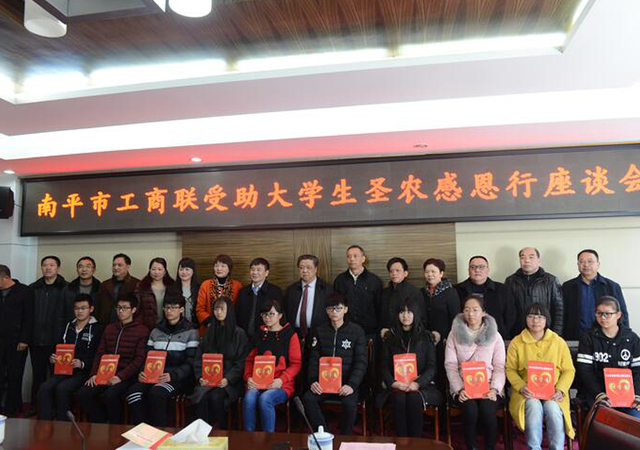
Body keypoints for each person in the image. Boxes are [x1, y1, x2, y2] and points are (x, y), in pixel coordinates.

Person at [506, 302, 575, 450]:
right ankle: (534, 447)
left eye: (540, 317)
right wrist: (521, 386)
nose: (535, 321)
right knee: (533, 406)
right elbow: (510, 369)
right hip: (526, 393)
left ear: (546, 319)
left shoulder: (558, 342)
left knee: (553, 408)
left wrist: (560, 390)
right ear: (525, 319)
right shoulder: (517, 342)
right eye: (531, 316)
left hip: (553, 392)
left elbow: (569, 370)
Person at [126, 295, 199, 427]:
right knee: (133, 394)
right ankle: (143, 430)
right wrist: (142, 372)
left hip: (177, 378)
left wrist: (173, 375)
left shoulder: (191, 332)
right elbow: (146, 356)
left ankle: (159, 431)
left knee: (156, 393)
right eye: (167, 308)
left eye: (173, 308)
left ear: (182, 309)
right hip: (152, 375)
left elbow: (191, 362)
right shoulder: (155, 331)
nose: (169, 311)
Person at [76, 293, 149, 423]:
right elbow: (100, 353)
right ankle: (102, 422)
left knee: (111, 395)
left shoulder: (142, 330)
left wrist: (120, 376)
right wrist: (94, 374)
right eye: (118, 307)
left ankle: (116, 427)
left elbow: (139, 359)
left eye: (125, 308)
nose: (120, 311)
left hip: (126, 376)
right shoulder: (109, 328)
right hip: (104, 373)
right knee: (83, 394)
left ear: (133, 310)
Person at [444, 295, 505, 450]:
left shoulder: (495, 335)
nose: (470, 314)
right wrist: (459, 389)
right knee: (470, 410)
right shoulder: (454, 334)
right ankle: (471, 447)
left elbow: (499, 366)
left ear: (484, 312)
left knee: (487, 410)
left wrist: (495, 389)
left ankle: (490, 447)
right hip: (464, 386)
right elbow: (451, 366)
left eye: (475, 310)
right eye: (467, 310)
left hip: (489, 386)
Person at [303, 293, 367, 435]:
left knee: (349, 404)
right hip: (323, 382)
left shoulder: (356, 331)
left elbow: (361, 362)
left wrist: (351, 385)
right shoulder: (319, 331)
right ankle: (323, 434)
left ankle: (344, 436)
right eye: (331, 308)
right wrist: (313, 381)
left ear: (345, 309)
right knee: (308, 398)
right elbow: (313, 359)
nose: (334, 312)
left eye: (338, 308)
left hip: (346, 383)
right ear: (326, 310)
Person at [378, 298, 443, 437]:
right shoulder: (390, 337)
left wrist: (418, 383)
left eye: (409, 312)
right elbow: (383, 365)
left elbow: (432, 367)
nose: (405, 316)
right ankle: (402, 441)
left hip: (421, 385)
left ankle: (415, 442)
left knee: (414, 399)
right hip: (396, 384)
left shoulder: (426, 337)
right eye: (402, 312)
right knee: (399, 398)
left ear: (416, 313)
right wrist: (393, 383)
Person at [38, 293, 103, 421]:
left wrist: (83, 363)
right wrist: (53, 358)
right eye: (76, 308)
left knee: (62, 388)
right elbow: (58, 346)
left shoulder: (98, 329)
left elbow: (99, 354)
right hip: (64, 369)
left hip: (83, 371)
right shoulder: (68, 326)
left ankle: (63, 423)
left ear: (91, 309)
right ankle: (45, 423)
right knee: (45, 387)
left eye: (83, 308)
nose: (79, 311)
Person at [243, 299, 301, 432]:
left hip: (281, 383)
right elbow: (249, 360)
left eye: (271, 314)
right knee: (249, 398)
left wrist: (281, 380)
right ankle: (248, 437)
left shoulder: (290, 335)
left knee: (265, 399)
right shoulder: (258, 334)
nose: (267, 317)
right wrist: (248, 377)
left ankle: (269, 438)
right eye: (264, 314)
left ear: (280, 315)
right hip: (258, 381)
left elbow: (296, 364)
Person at [576, 296, 640, 418]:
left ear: (618, 315)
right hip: (597, 393)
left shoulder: (632, 339)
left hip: (627, 394)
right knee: (606, 418)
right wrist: (600, 394)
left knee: (635, 417)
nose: (603, 318)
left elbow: (638, 370)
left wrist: (637, 395)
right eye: (599, 313)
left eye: (608, 314)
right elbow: (585, 371)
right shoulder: (588, 337)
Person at [191, 297, 248, 428]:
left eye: (222, 309)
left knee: (216, 397)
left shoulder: (239, 334)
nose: (219, 312)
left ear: (229, 311)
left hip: (229, 381)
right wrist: (200, 377)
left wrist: (228, 379)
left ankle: (221, 432)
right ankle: (201, 433)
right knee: (201, 397)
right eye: (216, 309)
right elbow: (199, 357)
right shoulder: (209, 331)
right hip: (208, 378)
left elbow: (241, 362)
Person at [29, 255, 68, 415]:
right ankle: (36, 407)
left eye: (52, 265)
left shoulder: (66, 288)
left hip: (57, 340)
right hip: (36, 340)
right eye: (45, 265)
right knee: (37, 376)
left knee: (56, 377)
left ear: (58, 268)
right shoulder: (33, 288)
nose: (48, 268)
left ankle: (54, 409)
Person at [562, 249, 630, 340]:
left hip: (605, 338)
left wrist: (624, 337)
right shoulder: (567, 287)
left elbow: (622, 314)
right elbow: (562, 314)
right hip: (576, 338)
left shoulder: (612, 286)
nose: (586, 265)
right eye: (582, 261)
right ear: (578, 264)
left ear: (598, 264)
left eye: (590, 261)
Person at [505, 247, 564, 336]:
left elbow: (559, 309)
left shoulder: (551, 280)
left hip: (545, 333)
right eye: (523, 257)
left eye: (531, 257)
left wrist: (556, 334)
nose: (527, 260)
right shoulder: (510, 281)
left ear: (539, 260)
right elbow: (507, 310)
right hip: (518, 334)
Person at [0, 265, 34, 417]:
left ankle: (12, 408)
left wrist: (24, 339)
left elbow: (29, 317)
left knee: (15, 374)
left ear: (5, 277)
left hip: (17, 341)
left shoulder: (24, 291)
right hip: (1, 340)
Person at [455, 256, 515, 340]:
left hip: (497, 338)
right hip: (466, 339)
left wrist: (503, 332)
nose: (477, 270)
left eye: (481, 267)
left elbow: (510, 315)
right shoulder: (457, 290)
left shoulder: (503, 290)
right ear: (468, 270)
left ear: (487, 270)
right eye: (473, 267)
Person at [333, 245, 383, 340]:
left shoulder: (374, 280)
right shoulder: (339, 280)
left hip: (369, 332)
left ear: (363, 259)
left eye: (355, 256)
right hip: (345, 330)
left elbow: (379, 307)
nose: (352, 259)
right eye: (349, 256)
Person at [283, 254, 332, 341]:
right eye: (301, 267)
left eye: (308, 267)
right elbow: (285, 313)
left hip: (319, 335)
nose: (304, 270)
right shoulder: (291, 290)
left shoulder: (327, 290)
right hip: (294, 334)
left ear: (316, 269)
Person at [236, 257, 283, 339]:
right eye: (252, 269)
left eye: (259, 270)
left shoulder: (275, 291)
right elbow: (237, 314)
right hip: (243, 337)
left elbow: (279, 317)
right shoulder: (243, 291)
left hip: (266, 336)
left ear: (266, 273)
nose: (255, 272)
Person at [196, 254, 243, 335]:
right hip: (209, 328)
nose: (219, 268)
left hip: (231, 328)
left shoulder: (237, 285)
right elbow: (200, 309)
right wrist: (211, 323)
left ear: (229, 269)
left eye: (223, 266)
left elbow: (239, 310)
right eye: (216, 266)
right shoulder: (205, 284)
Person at [379, 257, 423, 337]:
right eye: (391, 271)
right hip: (387, 335)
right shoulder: (385, 293)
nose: (394, 273)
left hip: (408, 336)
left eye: (397, 270)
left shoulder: (414, 292)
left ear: (405, 273)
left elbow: (421, 317)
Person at [422, 258, 459, 346]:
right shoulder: (421, 292)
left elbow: (455, 318)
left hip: (444, 340)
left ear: (441, 273)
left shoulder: (450, 292)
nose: (430, 274)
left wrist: (447, 336)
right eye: (427, 272)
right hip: (424, 339)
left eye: (433, 271)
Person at [95, 253, 140, 326]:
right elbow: (98, 306)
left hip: (129, 325)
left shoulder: (136, 284)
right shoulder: (104, 285)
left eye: (120, 265)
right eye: (114, 265)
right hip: (105, 325)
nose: (116, 268)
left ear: (128, 266)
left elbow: (140, 308)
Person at [135, 257, 175, 330]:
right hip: (146, 327)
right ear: (149, 270)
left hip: (168, 327)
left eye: (160, 269)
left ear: (165, 272)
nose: (156, 272)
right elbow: (137, 308)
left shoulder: (172, 286)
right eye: (153, 269)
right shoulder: (142, 286)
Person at [61, 256, 101, 322]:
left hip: (95, 326)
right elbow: (61, 312)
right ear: (77, 270)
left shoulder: (101, 288)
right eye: (80, 266)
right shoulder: (68, 289)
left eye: (88, 266)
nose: (84, 269)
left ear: (94, 270)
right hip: (72, 325)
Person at [172, 257, 200, 327]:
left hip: (195, 327)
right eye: (181, 269)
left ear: (193, 271)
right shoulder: (171, 288)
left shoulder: (199, 289)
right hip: (176, 327)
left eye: (187, 269)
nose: (184, 272)